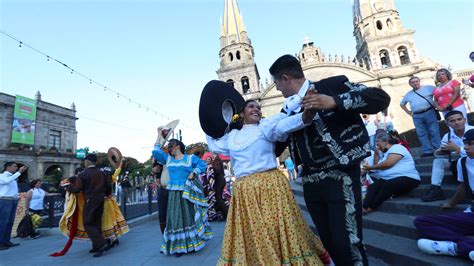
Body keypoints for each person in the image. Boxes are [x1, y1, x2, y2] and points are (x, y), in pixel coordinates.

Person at [269, 54, 391, 265]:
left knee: (348, 241)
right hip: (309, 180)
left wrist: (335, 101)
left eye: (277, 82)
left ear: (286, 78)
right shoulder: (286, 110)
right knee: (328, 241)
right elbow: (275, 143)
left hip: (340, 174)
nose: (277, 88)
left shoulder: (334, 85)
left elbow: (380, 98)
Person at [207, 99, 330, 265]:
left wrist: (306, 115)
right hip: (245, 191)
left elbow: (287, 123)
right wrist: (207, 120)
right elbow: (213, 144)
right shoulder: (232, 136)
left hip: (270, 185)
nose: (256, 109)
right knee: (254, 231)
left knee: (275, 227)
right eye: (251, 106)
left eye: (259, 107)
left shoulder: (266, 126)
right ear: (242, 112)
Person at [414, 129, 474, 262]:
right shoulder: (463, 162)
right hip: (472, 214)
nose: (466, 147)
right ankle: (463, 245)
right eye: (465, 143)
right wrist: (451, 203)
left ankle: (456, 248)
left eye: (471, 143)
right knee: (422, 221)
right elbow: (463, 186)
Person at [152, 136, 212, 256]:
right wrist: (159, 135)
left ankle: (191, 243)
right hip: (174, 193)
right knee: (175, 217)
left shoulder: (190, 158)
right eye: (168, 146)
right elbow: (155, 151)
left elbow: (202, 165)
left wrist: (193, 172)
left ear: (178, 146)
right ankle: (179, 246)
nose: (169, 148)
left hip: (187, 192)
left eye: (171, 146)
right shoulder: (168, 159)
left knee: (188, 216)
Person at [422, 111, 474, 202]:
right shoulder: (447, 136)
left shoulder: (473, 130)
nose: (457, 122)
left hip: (471, 163)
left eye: (459, 119)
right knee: (438, 161)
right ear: (447, 124)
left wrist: (457, 149)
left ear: (465, 120)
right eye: (452, 121)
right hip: (457, 163)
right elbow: (445, 156)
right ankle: (435, 188)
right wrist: (441, 152)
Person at [362, 132, 420, 213]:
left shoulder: (397, 147)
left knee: (388, 184)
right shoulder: (384, 153)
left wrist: (370, 167)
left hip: (409, 178)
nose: (377, 147)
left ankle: (372, 207)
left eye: (378, 144)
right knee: (373, 186)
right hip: (390, 178)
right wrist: (376, 155)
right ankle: (364, 207)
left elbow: (388, 164)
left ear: (386, 142)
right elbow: (377, 167)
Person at [68, 154, 111, 257]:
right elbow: (109, 188)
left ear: (87, 161)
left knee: (88, 223)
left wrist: (67, 187)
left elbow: (77, 189)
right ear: (95, 162)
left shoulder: (83, 174)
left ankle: (102, 243)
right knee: (97, 222)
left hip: (90, 200)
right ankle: (96, 247)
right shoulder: (102, 173)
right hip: (100, 200)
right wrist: (105, 195)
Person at [400, 76, 441, 157]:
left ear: (419, 81)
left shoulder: (429, 88)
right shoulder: (408, 94)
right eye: (413, 82)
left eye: (416, 81)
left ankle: (438, 149)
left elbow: (439, 93)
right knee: (421, 134)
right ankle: (427, 151)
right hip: (416, 116)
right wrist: (409, 112)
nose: (415, 83)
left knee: (434, 131)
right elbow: (402, 104)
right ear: (410, 84)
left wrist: (437, 104)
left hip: (429, 112)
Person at [0, 162, 27, 250]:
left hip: (13, 200)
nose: (16, 168)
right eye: (14, 166)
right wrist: (19, 172)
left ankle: (6, 240)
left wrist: (17, 196)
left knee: (10, 222)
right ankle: (0, 242)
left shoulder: (13, 178)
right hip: (5, 200)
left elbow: (12, 188)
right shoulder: (2, 176)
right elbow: (7, 181)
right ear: (8, 167)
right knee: (3, 222)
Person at [151, 161, 168, 234]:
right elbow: (154, 169)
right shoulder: (160, 157)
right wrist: (154, 169)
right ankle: (164, 235)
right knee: (162, 215)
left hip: (174, 190)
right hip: (162, 189)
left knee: (174, 214)